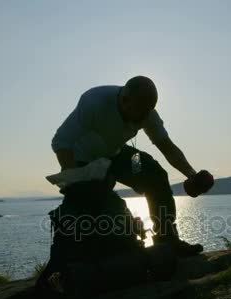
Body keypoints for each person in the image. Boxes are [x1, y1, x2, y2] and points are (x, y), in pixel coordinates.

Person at [51, 75, 213, 256]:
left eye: (147, 114)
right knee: (103, 206)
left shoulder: (146, 113)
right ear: (125, 100)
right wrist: (75, 179)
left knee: (155, 175)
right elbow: (61, 142)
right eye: (140, 114)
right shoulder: (94, 102)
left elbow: (167, 147)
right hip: (83, 161)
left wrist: (191, 174)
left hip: (115, 153)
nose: (142, 120)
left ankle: (168, 240)